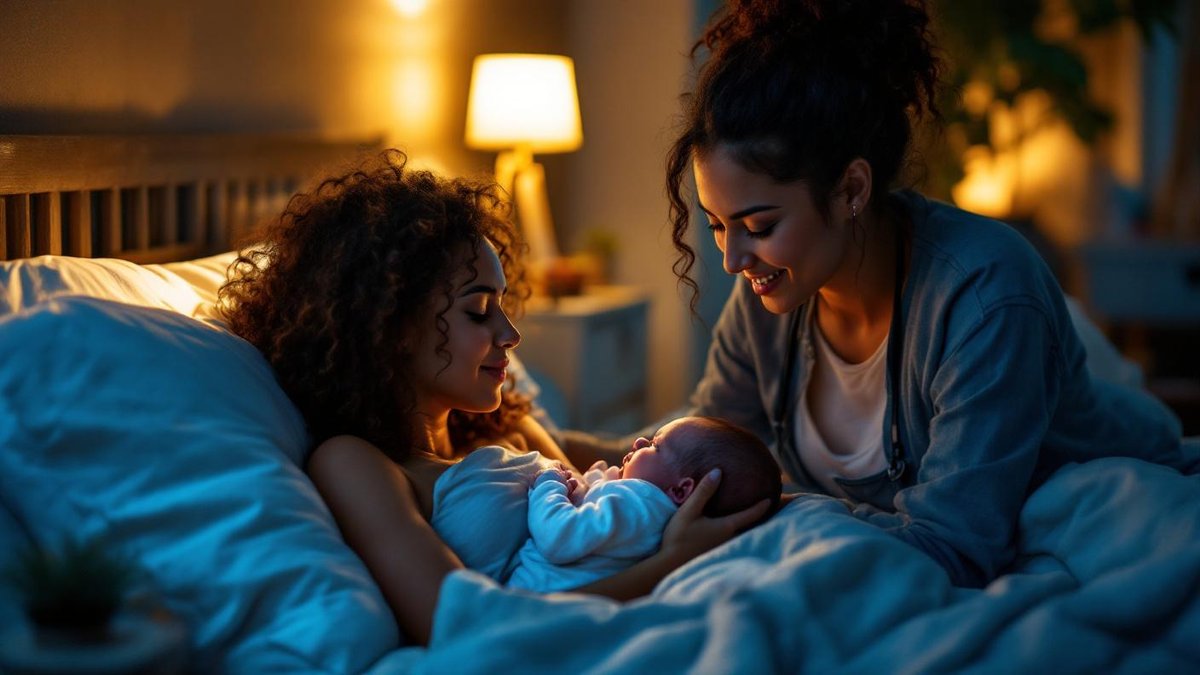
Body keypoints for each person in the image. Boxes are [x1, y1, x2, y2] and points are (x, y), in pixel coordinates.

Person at [566, 0, 1195, 589]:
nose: (733, 260)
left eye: (759, 226)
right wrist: (552, 442)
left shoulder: (984, 296)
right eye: (717, 226)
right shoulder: (769, 300)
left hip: (1128, 482)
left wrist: (782, 516)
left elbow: (956, 548)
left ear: (851, 190)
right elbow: (697, 455)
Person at [218, 151, 770, 645]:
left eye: (502, 306)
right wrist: (674, 560)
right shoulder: (358, 464)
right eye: (479, 311)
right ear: (392, 325)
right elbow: (460, 624)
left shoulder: (507, 428)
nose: (510, 334)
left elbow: (635, 471)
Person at [508, 415, 781, 592]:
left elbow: (560, 537)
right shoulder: (648, 510)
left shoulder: (637, 501)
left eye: (654, 446)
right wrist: (592, 485)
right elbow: (596, 522)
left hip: (539, 595)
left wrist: (548, 484)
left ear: (680, 490)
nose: (639, 441)